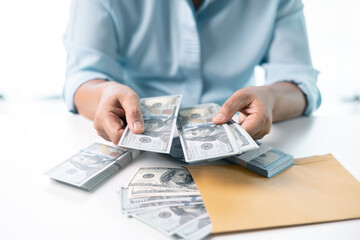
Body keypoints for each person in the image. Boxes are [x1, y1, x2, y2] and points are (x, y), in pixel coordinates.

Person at [63, 0, 321, 144]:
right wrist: (104, 94)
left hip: (240, 140)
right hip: (137, 144)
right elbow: (83, 76)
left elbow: (299, 81)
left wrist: (270, 100)